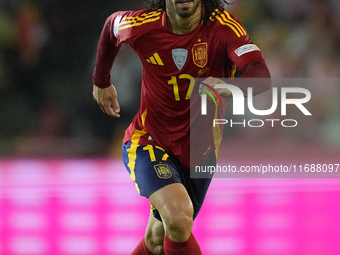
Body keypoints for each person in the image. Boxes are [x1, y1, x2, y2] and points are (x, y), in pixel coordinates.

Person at [92, 0, 271, 254]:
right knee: (178, 217)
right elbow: (112, 26)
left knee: (157, 240)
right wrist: (101, 81)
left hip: (200, 153)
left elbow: (261, 76)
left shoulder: (224, 29)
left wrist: (229, 86)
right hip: (148, 141)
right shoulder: (144, 26)